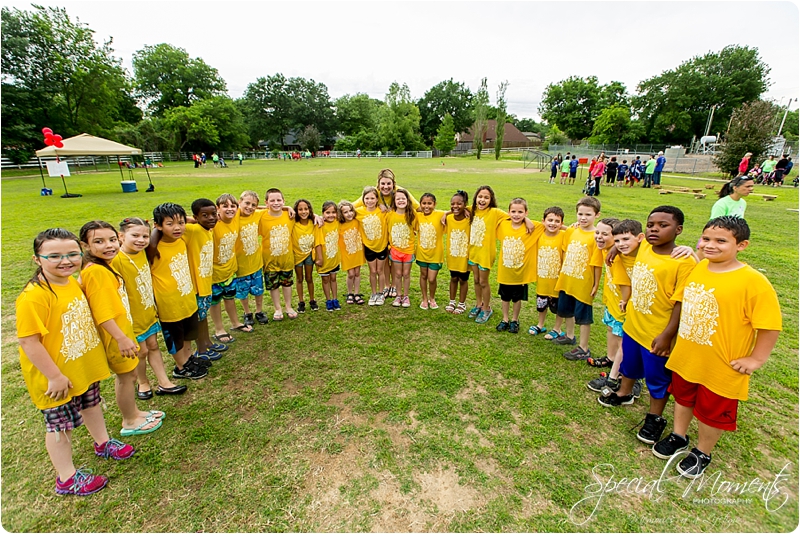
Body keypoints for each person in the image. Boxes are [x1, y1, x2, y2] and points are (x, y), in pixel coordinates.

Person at [653, 217, 781, 478]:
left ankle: (702, 451)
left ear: (741, 245)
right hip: (688, 356)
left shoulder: (753, 282)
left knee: (712, 412)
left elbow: (769, 326)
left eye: (721, 241)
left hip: (722, 364)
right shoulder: (699, 268)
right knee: (683, 398)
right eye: (706, 239)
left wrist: (756, 359)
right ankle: (679, 435)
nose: (710, 245)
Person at [16, 228, 134, 496]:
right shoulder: (34, 296)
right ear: (38, 259)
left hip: (83, 366)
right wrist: (54, 376)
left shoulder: (72, 282)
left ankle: (103, 443)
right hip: (56, 376)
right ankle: (67, 478)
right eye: (54, 256)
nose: (65, 261)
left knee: (91, 405)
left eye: (72, 254)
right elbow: (28, 342)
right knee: (60, 426)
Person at [598, 206, 697, 449]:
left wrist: (667, 335)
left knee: (657, 379)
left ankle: (655, 418)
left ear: (679, 230)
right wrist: (613, 247)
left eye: (663, 225)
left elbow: (680, 303)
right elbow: (627, 244)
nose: (655, 229)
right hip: (633, 325)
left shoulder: (682, 261)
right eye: (651, 224)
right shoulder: (644, 248)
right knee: (629, 365)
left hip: (658, 333)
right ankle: (624, 393)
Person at [78, 221, 163, 437]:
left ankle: (134, 412)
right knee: (127, 377)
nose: (109, 246)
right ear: (85, 246)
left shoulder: (105, 266)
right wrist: (121, 338)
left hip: (123, 330)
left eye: (112, 240)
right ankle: (130, 420)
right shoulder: (96, 272)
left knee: (131, 374)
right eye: (99, 241)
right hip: (116, 335)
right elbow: (102, 312)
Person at [112, 218, 186, 399]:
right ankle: (143, 382)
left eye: (144, 236)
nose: (141, 240)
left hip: (148, 311)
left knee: (153, 346)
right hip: (131, 317)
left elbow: (157, 234)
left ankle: (164, 382)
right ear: (121, 236)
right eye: (134, 235)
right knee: (141, 351)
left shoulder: (144, 252)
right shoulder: (116, 260)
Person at [149, 203, 208, 380]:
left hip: (187, 297)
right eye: (170, 224)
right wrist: (155, 232)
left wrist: (184, 220)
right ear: (158, 225)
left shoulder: (181, 239)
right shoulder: (153, 248)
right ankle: (180, 367)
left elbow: (192, 222)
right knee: (175, 338)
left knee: (189, 333)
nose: (177, 228)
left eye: (181, 223)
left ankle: (189, 359)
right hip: (169, 303)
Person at [586, 219, 641, 395]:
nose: (600, 237)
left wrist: (625, 301)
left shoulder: (617, 257)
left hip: (623, 306)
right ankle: (611, 359)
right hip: (612, 301)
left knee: (623, 342)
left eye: (605, 234)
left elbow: (625, 283)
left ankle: (624, 376)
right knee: (611, 330)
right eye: (598, 233)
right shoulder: (606, 251)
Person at [552, 197, 603, 360]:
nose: (583, 218)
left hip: (583, 282)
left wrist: (595, 284)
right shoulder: (571, 231)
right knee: (567, 310)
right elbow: (566, 251)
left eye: (588, 214)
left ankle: (584, 347)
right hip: (568, 278)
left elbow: (597, 263)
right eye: (580, 214)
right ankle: (569, 336)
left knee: (583, 316)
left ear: (597, 215)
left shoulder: (597, 236)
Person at [182, 199, 228, 358]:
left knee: (204, 315)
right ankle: (201, 350)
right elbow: (174, 223)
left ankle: (207, 342)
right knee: (199, 319)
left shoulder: (208, 229)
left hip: (206, 282)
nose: (211, 218)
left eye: (213, 214)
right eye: (205, 215)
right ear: (196, 217)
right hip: (196, 286)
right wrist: (191, 219)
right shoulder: (192, 230)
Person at [494, 198, 543, 333]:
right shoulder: (503, 224)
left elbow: (551, 225)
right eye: (513, 211)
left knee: (517, 298)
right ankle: (505, 319)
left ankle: (515, 320)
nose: (516, 214)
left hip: (520, 273)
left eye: (520, 212)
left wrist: (527, 221)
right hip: (505, 272)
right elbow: (493, 216)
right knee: (504, 297)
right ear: (508, 212)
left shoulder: (533, 227)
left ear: (526, 212)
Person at [259, 188, 298, 320]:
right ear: (266, 202)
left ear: (283, 201)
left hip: (286, 259)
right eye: (272, 200)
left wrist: (316, 216)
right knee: (273, 285)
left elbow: (307, 215)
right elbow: (248, 208)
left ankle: (288, 306)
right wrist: (287, 207)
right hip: (269, 260)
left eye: (279, 200)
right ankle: (277, 308)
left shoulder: (290, 216)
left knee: (287, 284)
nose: (276, 203)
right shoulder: (262, 216)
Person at [529, 207, 566, 337]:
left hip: (557, 280)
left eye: (557, 221)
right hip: (543, 279)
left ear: (561, 224)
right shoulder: (539, 234)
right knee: (541, 304)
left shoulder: (563, 235)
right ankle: (540, 324)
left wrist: (566, 228)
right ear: (543, 221)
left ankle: (557, 328)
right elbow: (525, 221)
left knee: (558, 308)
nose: (553, 223)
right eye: (550, 220)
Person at [235, 191, 268, 326]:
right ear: (239, 202)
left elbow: (270, 207)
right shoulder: (233, 215)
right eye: (247, 203)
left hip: (256, 262)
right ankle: (247, 312)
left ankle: (259, 311)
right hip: (240, 264)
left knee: (258, 290)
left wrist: (288, 208)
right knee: (243, 292)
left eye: (253, 205)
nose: (249, 207)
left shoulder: (256, 214)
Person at [387, 188, 418, 308]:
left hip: (408, 250)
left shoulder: (413, 215)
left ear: (407, 200)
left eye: (403, 198)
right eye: (398, 198)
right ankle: (398, 295)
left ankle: (406, 296)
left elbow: (417, 229)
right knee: (398, 274)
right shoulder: (389, 215)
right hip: (395, 250)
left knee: (406, 274)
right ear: (394, 201)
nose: (401, 200)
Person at [415, 193, 446, 310]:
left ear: (435, 204)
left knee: (432, 278)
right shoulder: (418, 215)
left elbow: (454, 211)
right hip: (422, 253)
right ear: (420, 204)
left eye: (429, 203)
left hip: (436, 254)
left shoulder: (439, 215)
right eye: (424, 203)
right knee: (423, 275)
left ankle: (432, 298)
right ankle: (424, 298)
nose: (426, 206)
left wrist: (447, 213)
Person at [444, 190, 471, 315]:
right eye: (452, 203)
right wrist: (447, 212)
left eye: (459, 204)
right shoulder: (448, 218)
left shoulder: (469, 218)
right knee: (453, 278)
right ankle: (452, 301)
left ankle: (462, 303)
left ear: (465, 204)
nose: (455, 206)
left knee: (463, 280)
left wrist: (467, 210)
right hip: (452, 255)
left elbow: (476, 209)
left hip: (464, 257)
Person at [314, 201, 341, 311]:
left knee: (333, 278)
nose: (331, 215)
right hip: (324, 259)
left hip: (334, 257)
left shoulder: (337, 222)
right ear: (323, 213)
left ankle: (335, 299)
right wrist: (319, 258)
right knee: (325, 280)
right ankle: (328, 300)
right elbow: (318, 243)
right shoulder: (320, 225)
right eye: (327, 212)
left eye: (333, 212)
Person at [292, 199, 318, 312]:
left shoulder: (313, 222)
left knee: (309, 278)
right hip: (297, 255)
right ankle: (301, 301)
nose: (303, 212)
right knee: (299, 278)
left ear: (310, 210)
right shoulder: (293, 223)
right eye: (300, 209)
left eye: (306, 209)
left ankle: (312, 300)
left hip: (308, 255)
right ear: (296, 211)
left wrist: (316, 216)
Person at [338, 200, 365, 305]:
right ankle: (350, 293)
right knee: (351, 274)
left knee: (357, 273)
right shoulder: (339, 225)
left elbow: (363, 206)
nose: (349, 214)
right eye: (345, 212)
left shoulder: (357, 221)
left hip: (357, 251)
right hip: (347, 253)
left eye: (350, 211)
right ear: (341, 214)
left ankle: (357, 293)